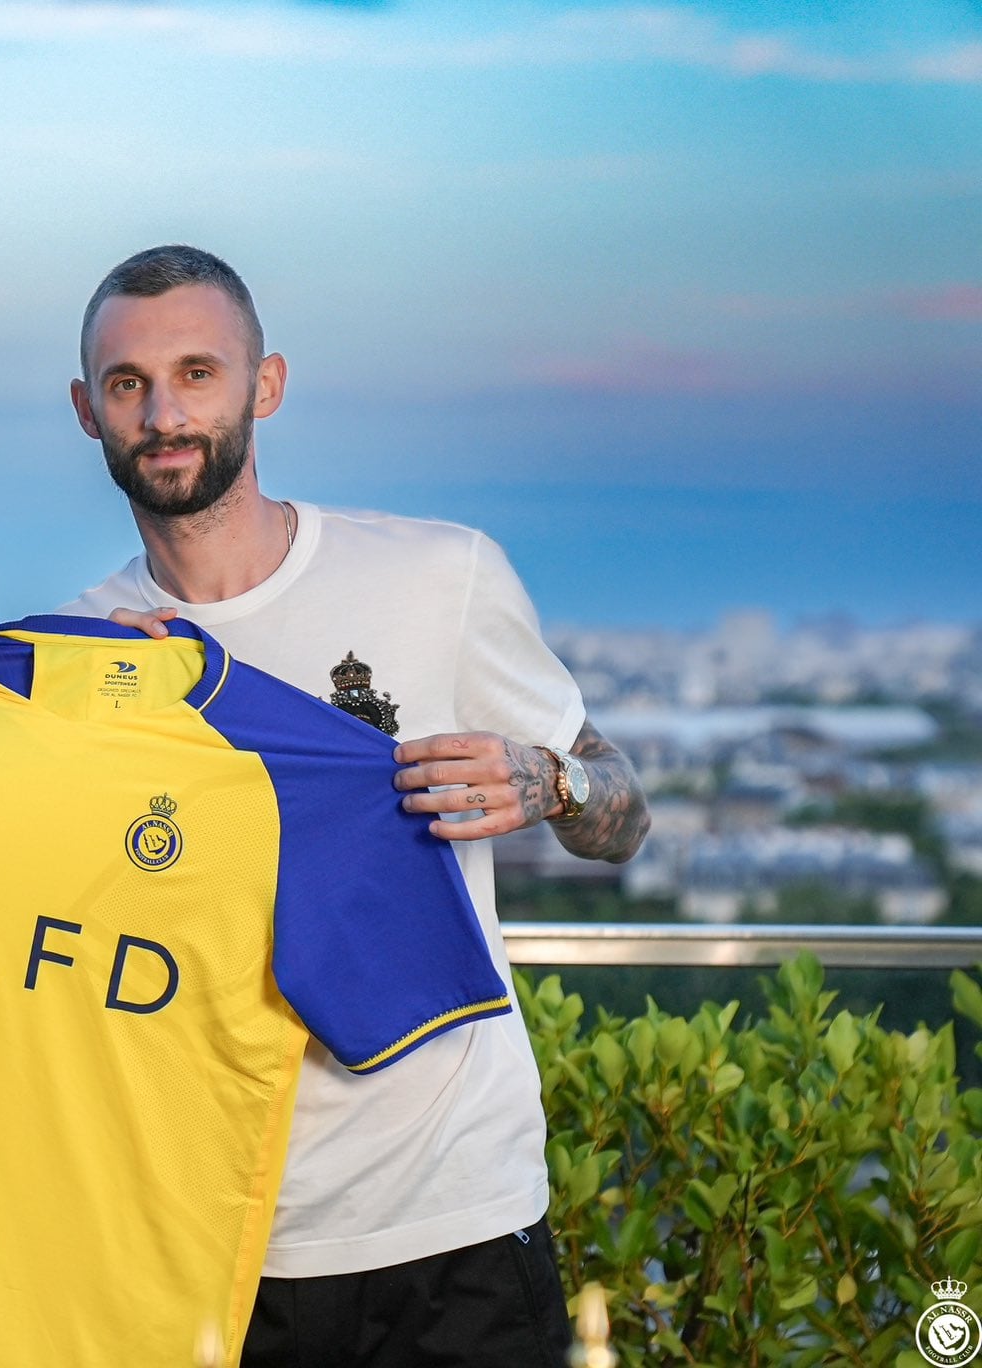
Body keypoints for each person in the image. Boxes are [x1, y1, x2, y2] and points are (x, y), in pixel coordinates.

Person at [61, 245, 651, 1368]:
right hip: (206, 1239)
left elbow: (619, 810)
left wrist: (550, 784)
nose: (162, 411)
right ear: (88, 412)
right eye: (128, 384)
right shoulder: (81, 651)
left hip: (453, 1217)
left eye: (196, 372)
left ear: (263, 386)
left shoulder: (439, 576)